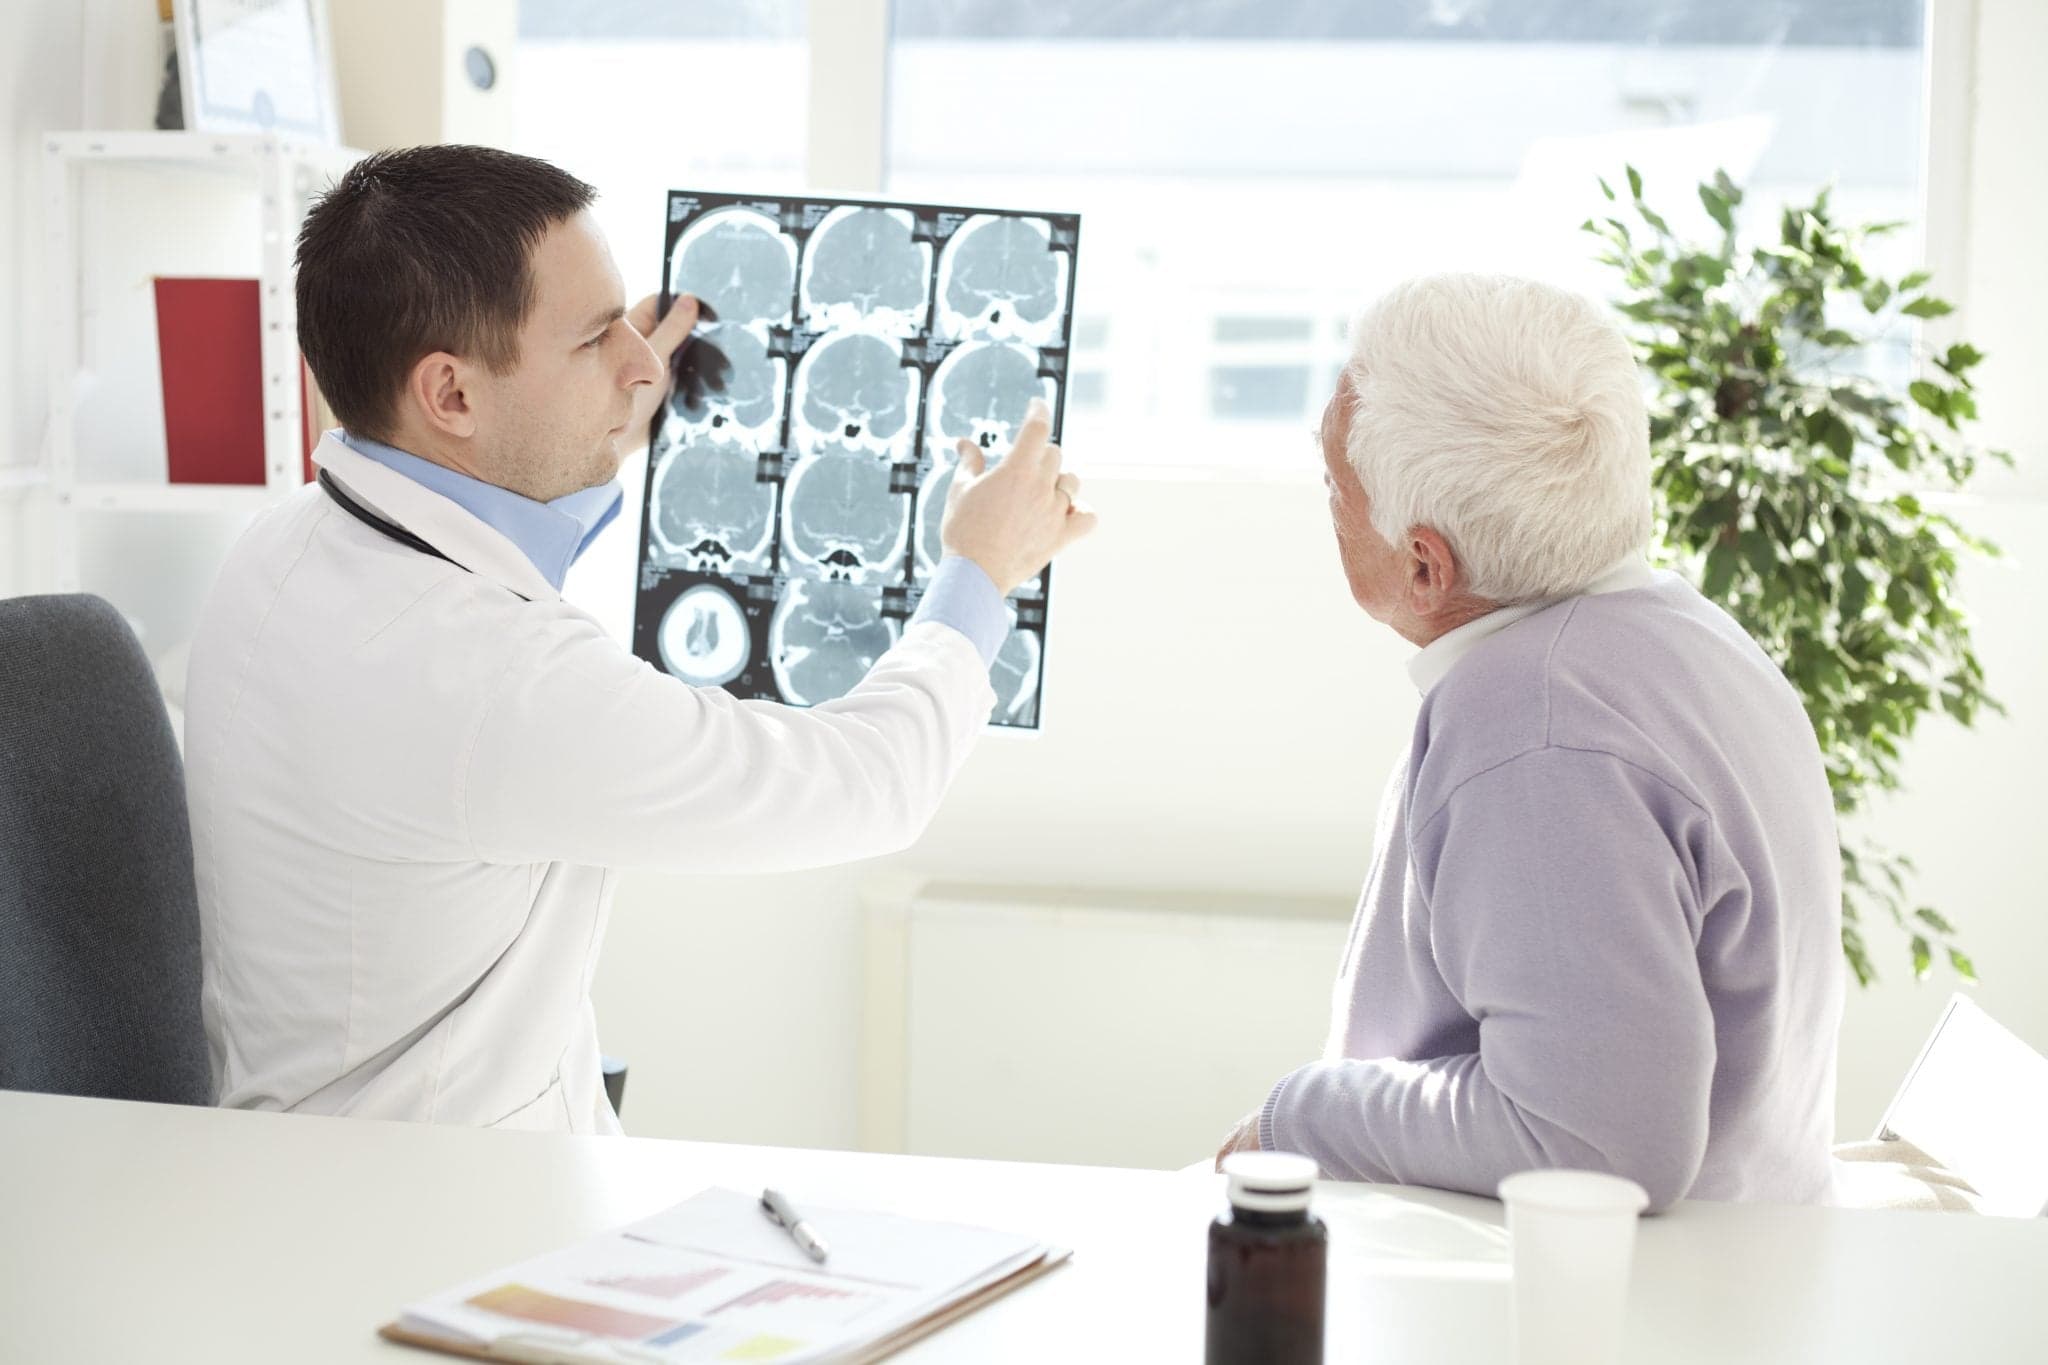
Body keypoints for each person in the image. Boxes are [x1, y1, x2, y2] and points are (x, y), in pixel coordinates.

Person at [183, 145, 1095, 1133]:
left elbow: (472, 611)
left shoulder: (278, 551)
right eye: (592, 341)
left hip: (333, 1152)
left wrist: (590, 414)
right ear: (451, 396)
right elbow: (870, 785)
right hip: (437, 1213)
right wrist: (979, 571)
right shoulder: (496, 684)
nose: (643, 360)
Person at [1215, 273, 1842, 1211]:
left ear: (1427, 564)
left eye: (1331, 479)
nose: (1327, 499)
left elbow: (1597, 1142)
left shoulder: (1538, 727)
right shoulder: (1682, 632)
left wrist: (1298, 1119)